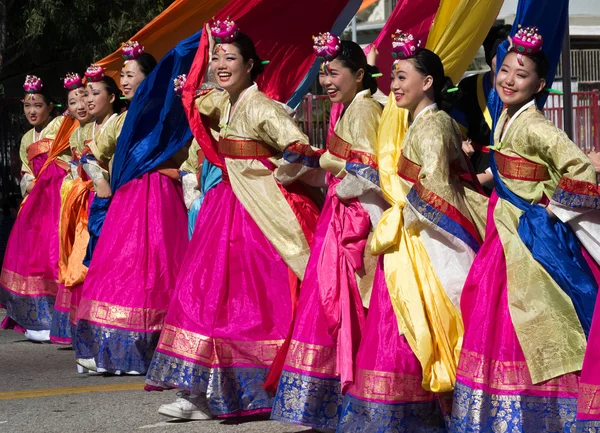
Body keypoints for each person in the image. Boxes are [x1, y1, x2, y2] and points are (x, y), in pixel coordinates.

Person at [145, 19, 322, 420]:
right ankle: (200, 392)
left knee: (248, 304)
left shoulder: (262, 106)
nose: (221, 64)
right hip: (224, 207)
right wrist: (187, 89)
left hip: (258, 215)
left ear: (250, 64)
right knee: (203, 296)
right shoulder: (225, 101)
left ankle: (243, 391)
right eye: (216, 57)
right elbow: (198, 101)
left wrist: (278, 176)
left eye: (231, 58)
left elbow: (301, 149)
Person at [450, 27, 600, 432]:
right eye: (506, 71)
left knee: (535, 315)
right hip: (504, 232)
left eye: (522, 74)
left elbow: (580, 168)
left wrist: (551, 210)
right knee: (496, 313)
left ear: (539, 84)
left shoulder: (535, 125)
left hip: (528, 236)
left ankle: (548, 413)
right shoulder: (507, 118)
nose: (509, 80)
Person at [337, 32, 486, 432]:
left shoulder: (433, 126)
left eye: (403, 77)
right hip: (412, 236)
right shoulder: (422, 122)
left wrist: (403, 207)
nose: (395, 85)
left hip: (429, 240)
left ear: (428, 83)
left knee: (425, 319)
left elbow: (437, 186)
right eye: (393, 78)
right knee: (406, 322)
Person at [270, 33, 384, 431]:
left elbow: (371, 172)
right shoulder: (344, 108)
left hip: (356, 219)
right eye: (324, 74)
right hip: (338, 213)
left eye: (334, 73)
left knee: (351, 306)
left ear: (359, 73)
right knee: (330, 302)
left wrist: (333, 167)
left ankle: (361, 401)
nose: (327, 81)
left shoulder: (366, 110)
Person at [75, 43, 186, 376]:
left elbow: (184, 149)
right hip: (128, 197)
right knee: (120, 269)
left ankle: (150, 350)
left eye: (129, 74)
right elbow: (94, 151)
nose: (123, 79)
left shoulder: (165, 110)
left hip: (159, 195)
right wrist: (97, 174)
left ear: (149, 78)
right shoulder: (123, 118)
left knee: (155, 270)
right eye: (121, 74)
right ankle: (119, 349)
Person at [0, 75, 67, 342]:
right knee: (32, 258)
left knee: (55, 255)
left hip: (58, 197)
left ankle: (60, 318)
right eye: (28, 106)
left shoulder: (62, 125)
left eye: (38, 105)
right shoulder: (27, 136)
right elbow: (25, 172)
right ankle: (37, 318)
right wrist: (29, 183)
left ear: (50, 107)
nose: (32, 111)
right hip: (36, 201)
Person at [50, 73, 94, 345]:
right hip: (78, 204)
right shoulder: (75, 133)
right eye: (73, 101)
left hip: (94, 200)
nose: (81, 104)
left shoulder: (107, 125)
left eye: (85, 97)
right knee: (77, 260)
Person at [454, 24, 512, 191]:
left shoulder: (521, 91)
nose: (504, 62)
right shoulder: (470, 86)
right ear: (489, 57)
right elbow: (457, 128)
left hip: (511, 171)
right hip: (475, 166)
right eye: (499, 56)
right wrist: (460, 143)